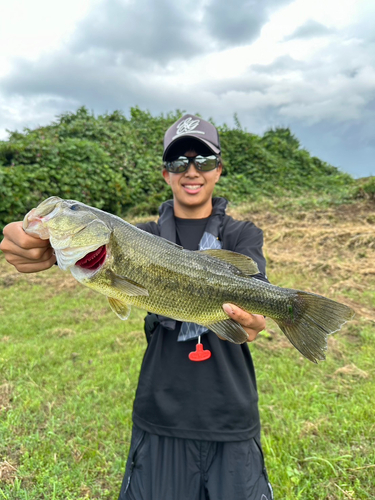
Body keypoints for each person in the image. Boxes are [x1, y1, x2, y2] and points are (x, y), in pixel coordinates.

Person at [0, 114, 273, 500]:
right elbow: (47, 246)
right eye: (179, 162)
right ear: (165, 173)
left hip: (232, 416)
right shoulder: (142, 235)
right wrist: (33, 244)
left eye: (204, 161)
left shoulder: (242, 234)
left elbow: (256, 290)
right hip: (158, 413)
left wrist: (258, 317)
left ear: (218, 170)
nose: (191, 171)